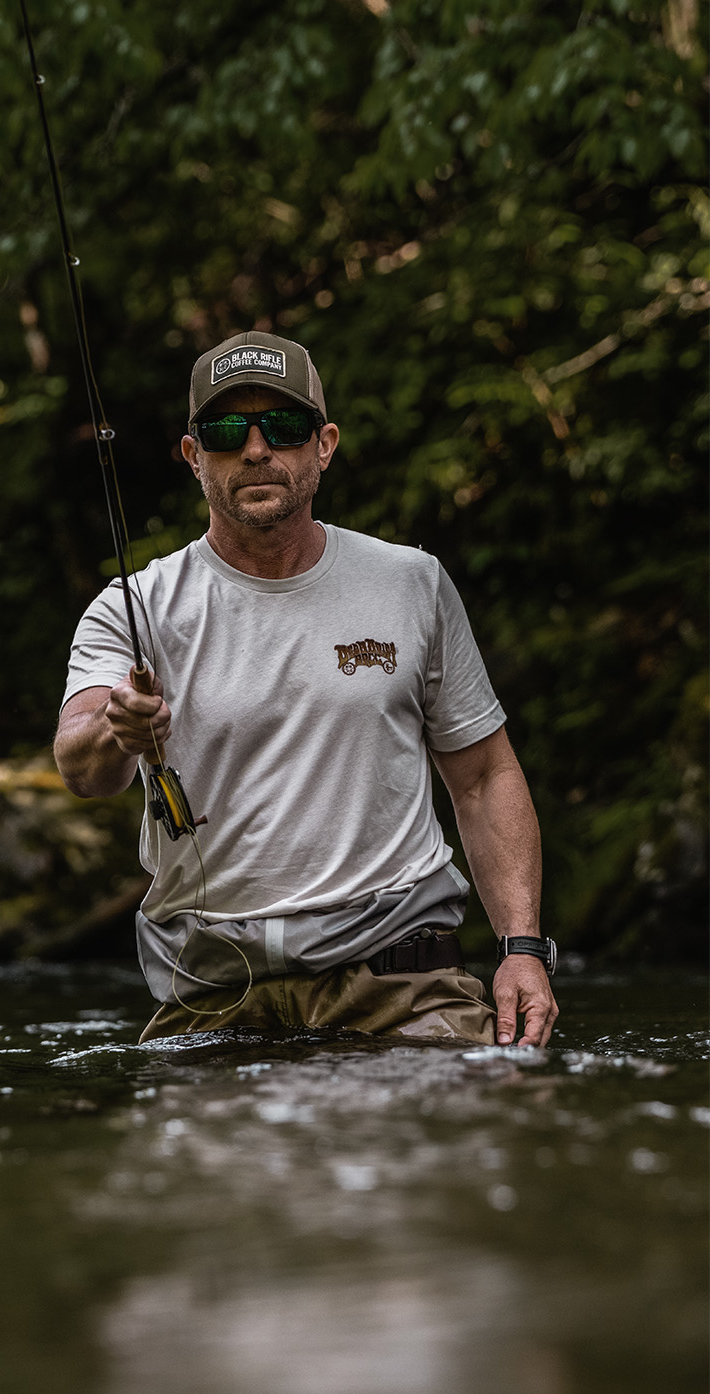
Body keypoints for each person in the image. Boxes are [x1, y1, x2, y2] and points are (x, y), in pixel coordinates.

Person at [54, 330, 558, 1048]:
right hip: (215, 990)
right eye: (227, 431)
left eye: (283, 427)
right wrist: (118, 728)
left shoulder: (411, 583)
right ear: (194, 457)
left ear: (323, 445)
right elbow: (82, 766)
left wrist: (522, 950)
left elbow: (482, 778)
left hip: (403, 985)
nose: (256, 449)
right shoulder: (133, 606)